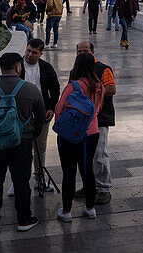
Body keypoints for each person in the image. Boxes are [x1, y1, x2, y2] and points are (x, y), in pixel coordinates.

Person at [0, 51, 45, 234]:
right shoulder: (31, 90)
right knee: (21, 182)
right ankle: (24, 220)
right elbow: (41, 117)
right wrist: (31, 133)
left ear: (0, 68)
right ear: (18, 67)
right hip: (23, 143)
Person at [53, 53, 105, 222]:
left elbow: (59, 109)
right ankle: (90, 208)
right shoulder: (100, 87)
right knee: (87, 170)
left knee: (69, 172)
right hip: (92, 133)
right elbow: (97, 110)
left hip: (71, 135)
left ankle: (66, 211)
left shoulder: (73, 86)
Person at [75, 41, 116, 205]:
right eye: (80, 51)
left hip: (100, 119)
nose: (83, 53)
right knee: (84, 156)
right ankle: (88, 186)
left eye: (86, 50)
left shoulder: (103, 68)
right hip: (81, 121)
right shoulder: (76, 70)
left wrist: (93, 93)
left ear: (93, 52)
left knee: (99, 155)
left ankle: (104, 189)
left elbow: (112, 88)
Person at [17, 39, 60, 194]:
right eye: (28, 50)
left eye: (34, 52)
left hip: (41, 113)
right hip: (20, 115)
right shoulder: (18, 66)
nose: (30, 55)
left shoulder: (46, 68)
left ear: (41, 54)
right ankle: (19, 181)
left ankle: (39, 179)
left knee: (40, 148)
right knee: (21, 148)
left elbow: (55, 88)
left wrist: (51, 108)